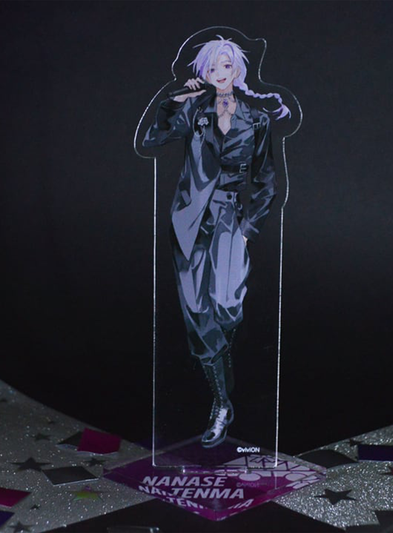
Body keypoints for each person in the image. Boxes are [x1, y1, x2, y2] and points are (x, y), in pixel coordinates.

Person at [143, 36, 290, 448]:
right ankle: (223, 404)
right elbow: (150, 141)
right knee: (197, 312)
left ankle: (219, 382)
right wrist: (174, 100)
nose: (220, 74)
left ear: (237, 69)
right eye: (212, 67)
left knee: (227, 309)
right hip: (189, 220)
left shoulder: (256, 119)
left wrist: (247, 229)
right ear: (204, 73)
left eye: (226, 66)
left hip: (230, 220)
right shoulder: (194, 110)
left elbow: (266, 181)